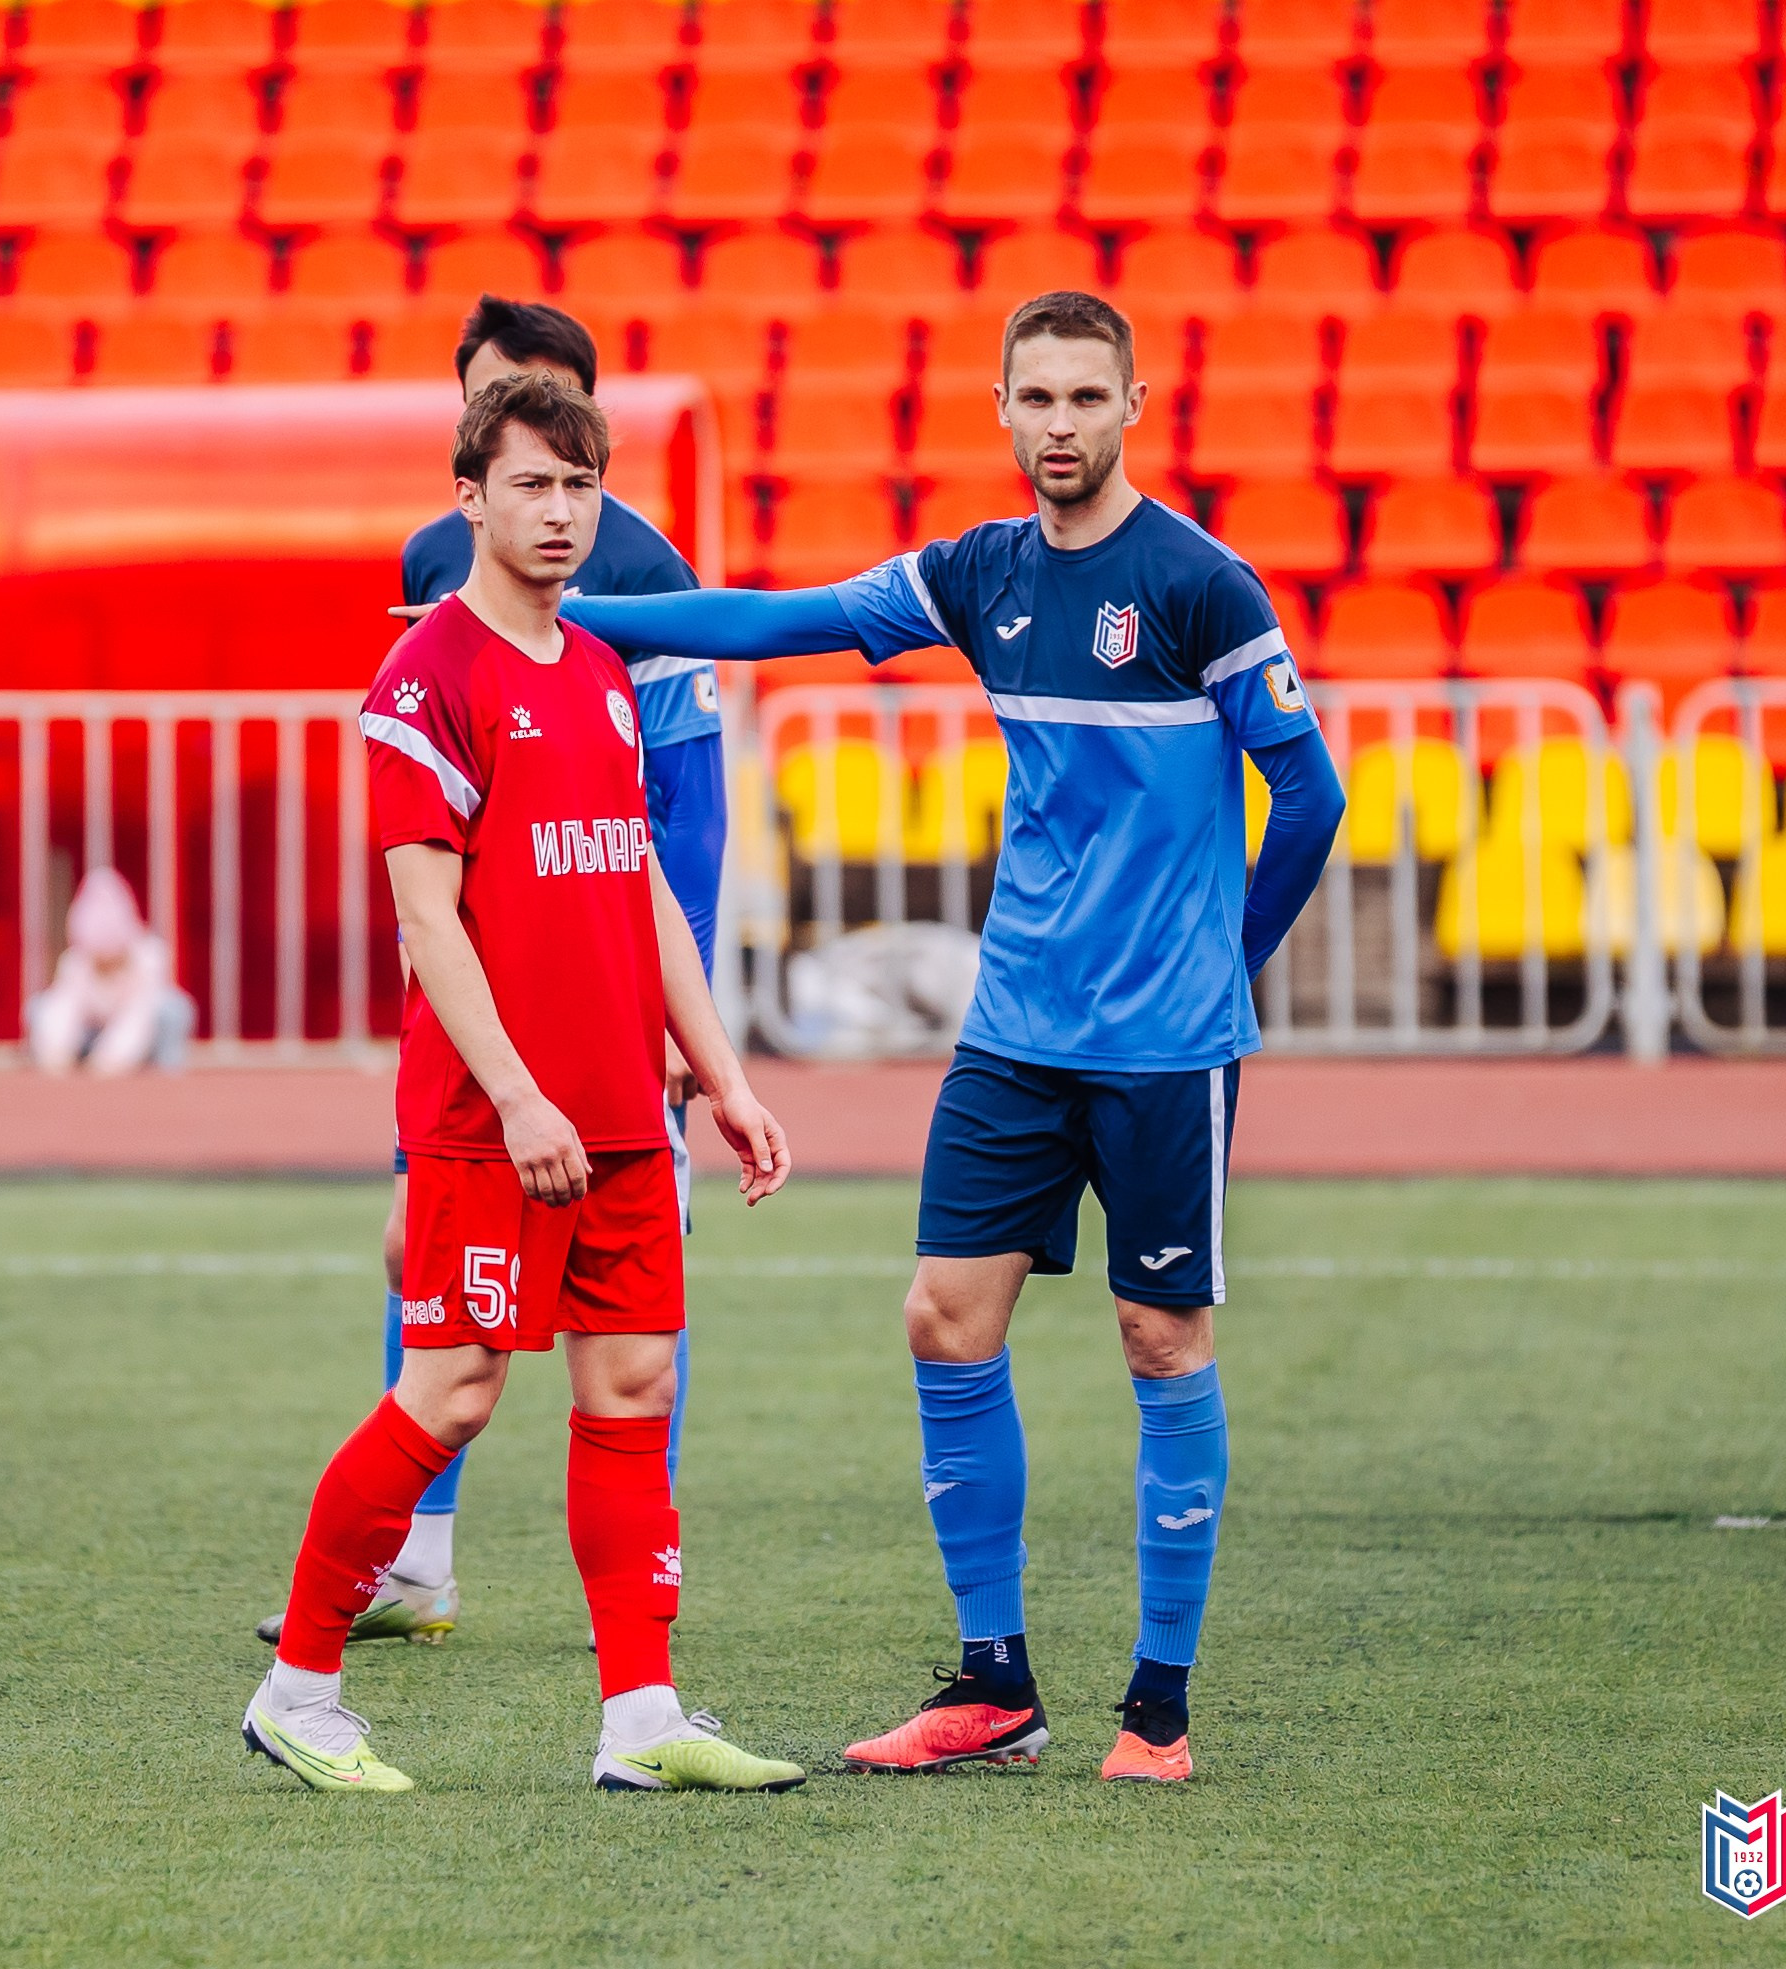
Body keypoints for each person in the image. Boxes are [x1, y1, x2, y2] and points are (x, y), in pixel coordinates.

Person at [555, 291, 1346, 1785]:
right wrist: (567, 614)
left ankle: (1156, 1713)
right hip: (1014, 1029)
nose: (1059, 425)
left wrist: (1220, 965)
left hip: (1164, 1045)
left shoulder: (1199, 588)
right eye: (1033, 399)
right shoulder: (978, 574)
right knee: (940, 1316)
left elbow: (1306, 801)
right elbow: (779, 620)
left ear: (1130, 407)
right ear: (998, 407)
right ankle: (993, 1684)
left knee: (1156, 1336)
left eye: (1083, 398)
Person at [243, 371, 802, 1795]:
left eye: (580, 485)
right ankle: (298, 1694)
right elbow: (426, 921)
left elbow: (649, 900)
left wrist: (719, 1073)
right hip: (498, 1117)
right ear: (471, 497)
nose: (560, 512)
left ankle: (641, 1719)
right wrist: (517, 1095)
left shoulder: (602, 675)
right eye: (533, 484)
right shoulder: (425, 677)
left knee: (629, 1383)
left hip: (624, 1104)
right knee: (450, 1394)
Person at [25, 867, 194, 1076]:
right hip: (93, 1034)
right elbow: (62, 1009)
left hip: (141, 1039)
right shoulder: (75, 963)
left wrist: (112, 1059)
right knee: (39, 1007)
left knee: (172, 1009)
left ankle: (165, 1069)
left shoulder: (149, 958)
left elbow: (139, 1015)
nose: (105, 963)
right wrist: (55, 1053)